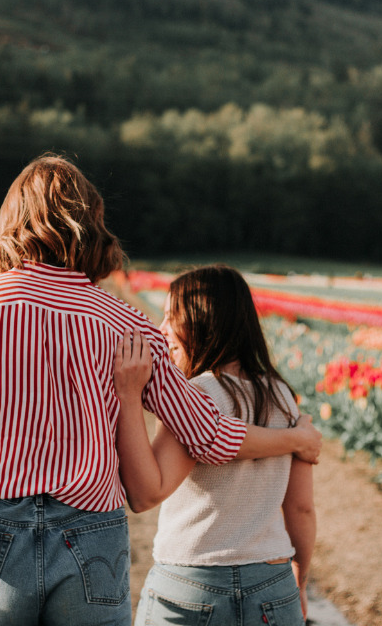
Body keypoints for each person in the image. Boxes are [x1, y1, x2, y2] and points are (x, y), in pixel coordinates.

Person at [0, 155, 321, 626]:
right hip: (90, 535)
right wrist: (294, 439)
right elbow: (207, 434)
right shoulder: (125, 324)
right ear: (90, 224)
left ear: (12, 222)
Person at [114, 265, 316, 626]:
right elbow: (300, 508)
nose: (162, 332)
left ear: (200, 321)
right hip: (272, 582)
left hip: (191, 583)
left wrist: (128, 397)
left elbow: (145, 493)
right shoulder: (284, 397)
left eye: (170, 318)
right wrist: (298, 581)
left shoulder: (196, 395)